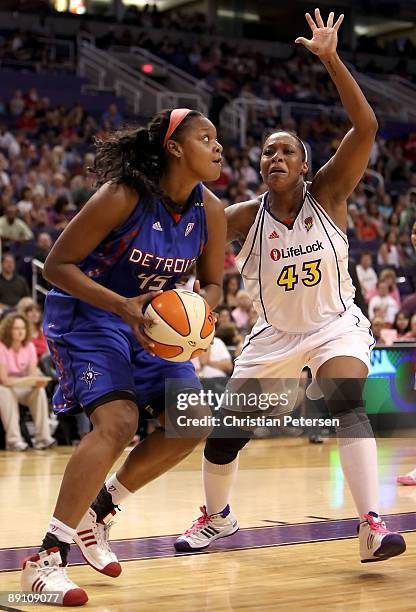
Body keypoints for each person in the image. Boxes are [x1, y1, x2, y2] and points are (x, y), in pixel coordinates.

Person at [174, 10, 406, 564]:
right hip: (275, 335)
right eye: (267, 153)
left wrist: (331, 59)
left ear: (306, 165)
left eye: (286, 151)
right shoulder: (240, 218)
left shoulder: (327, 194)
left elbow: (367, 126)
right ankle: (218, 519)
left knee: (345, 405)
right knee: (225, 436)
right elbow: (184, 239)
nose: (274, 157)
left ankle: (372, 524)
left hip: (334, 326)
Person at [21, 108, 226, 604]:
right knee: (117, 422)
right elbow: (56, 266)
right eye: (206, 137)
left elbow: (215, 284)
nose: (218, 146)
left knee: (193, 420)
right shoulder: (122, 196)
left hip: (152, 325)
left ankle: (101, 511)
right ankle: (46, 558)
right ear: (174, 147)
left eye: (218, 139)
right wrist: (121, 306)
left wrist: (197, 314)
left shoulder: (211, 210)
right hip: (91, 314)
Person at [0, 313, 54, 451]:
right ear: (8, 330)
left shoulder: (29, 346)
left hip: (22, 388)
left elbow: (32, 374)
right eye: (16, 328)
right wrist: (26, 380)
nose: (20, 331)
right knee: (5, 392)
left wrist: (37, 381)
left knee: (39, 391)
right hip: (6, 389)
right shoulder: (2, 347)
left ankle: (43, 439)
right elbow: (4, 379)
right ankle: (13, 441)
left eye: (23, 328)